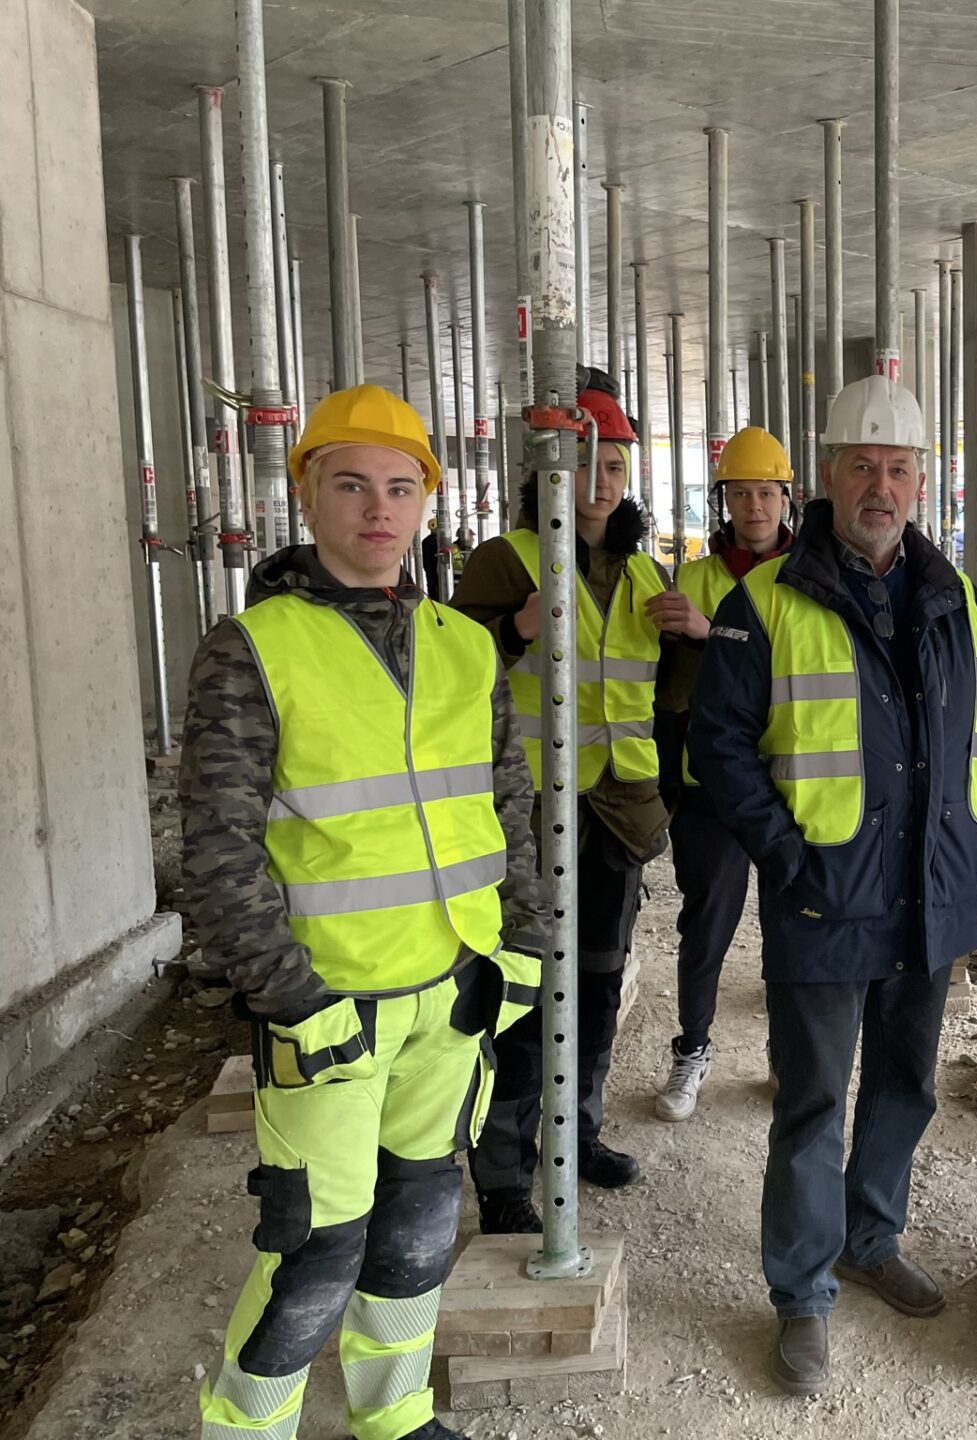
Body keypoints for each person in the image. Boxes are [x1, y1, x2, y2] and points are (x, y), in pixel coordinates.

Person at [181, 384, 548, 1440]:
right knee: (316, 1248)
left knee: (421, 1227)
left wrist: (525, 944)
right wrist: (289, 997)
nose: (378, 509)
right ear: (308, 497)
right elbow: (218, 848)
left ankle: (394, 1417)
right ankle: (245, 1432)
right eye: (351, 485)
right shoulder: (253, 648)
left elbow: (506, 807)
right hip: (329, 1008)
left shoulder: (466, 644)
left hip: (456, 993)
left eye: (399, 486)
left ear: (427, 501)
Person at [689, 375, 977, 1396]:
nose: (881, 486)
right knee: (814, 1099)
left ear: (921, 481)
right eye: (862, 466)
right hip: (823, 896)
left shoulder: (954, 596)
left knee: (905, 1084)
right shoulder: (765, 601)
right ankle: (802, 1293)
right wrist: (787, 856)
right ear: (828, 475)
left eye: (899, 469)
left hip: (931, 889)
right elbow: (720, 745)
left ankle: (869, 1238)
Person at [450, 377, 697, 1232]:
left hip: (619, 813)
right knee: (523, 990)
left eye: (617, 466)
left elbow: (665, 695)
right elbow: (449, 677)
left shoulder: (643, 573)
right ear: (551, 470)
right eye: (586, 464)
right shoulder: (505, 560)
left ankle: (577, 1135)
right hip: (528, 818)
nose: (602, 481)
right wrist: (513, 627)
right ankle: (504, 1175)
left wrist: (694, 639)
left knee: (595, 986)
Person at [653, 426, 797, 1121]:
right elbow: (670, 691)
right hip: (709, 783)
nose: (754, 506)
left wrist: (711, 633)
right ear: (725, 501)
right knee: (706, 923)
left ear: (786, 499)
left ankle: (785, 1053)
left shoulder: (808, 578)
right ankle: (693, 1048)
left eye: (766, 492)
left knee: (791, 924)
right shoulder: (694, 580)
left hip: (792, 780)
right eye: (740, 493)